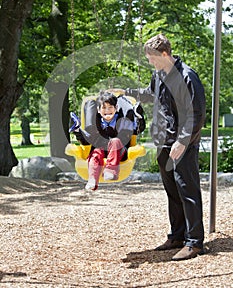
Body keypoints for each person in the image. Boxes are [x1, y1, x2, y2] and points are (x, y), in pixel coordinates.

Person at [121, 33, 206, 261]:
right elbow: (150, 95)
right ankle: (177, 236)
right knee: (173, 191)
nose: (150, 62)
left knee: (187, 191)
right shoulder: (158, 74)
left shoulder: (187, 76)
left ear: (165, 54)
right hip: (163, 142)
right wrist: (126, 92)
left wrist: (183, 140)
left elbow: (196, 114)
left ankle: (194, 242)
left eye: (152, 58)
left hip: (182, 144)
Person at [69, 91, 134, 191]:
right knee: (95, 153)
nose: (107, 111)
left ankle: (111, 170)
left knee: (115, 141)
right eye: (104, 108)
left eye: (110, 107)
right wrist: (78, 131)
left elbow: (128, 134)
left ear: (116, 108)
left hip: (119, 151)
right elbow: (90, 140)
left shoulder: (121, 120)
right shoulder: (96, 123)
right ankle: (92, 180)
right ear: (98, 110)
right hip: (103, 149)